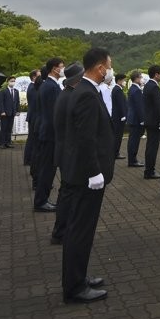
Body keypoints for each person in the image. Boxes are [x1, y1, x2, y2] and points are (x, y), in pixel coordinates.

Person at [60, 47, 115, 304]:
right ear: (100, 68)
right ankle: (74, 286)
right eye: (109, 65)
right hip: (85, 176)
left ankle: (79, 277)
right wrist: (94, 171)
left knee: (82, 229)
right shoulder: (86, 95)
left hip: (82, 174)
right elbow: (85, 138)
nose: (110, 70)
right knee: (80, 230)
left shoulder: (83, 90)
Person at [51, 63, 85, 246]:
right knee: (68, 193)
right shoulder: (70, 97)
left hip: (65, 151)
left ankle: (61, 230)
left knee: (67, 192)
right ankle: (61, 231)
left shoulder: (66, 94)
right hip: (69, 153)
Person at [34, 58, 65, 212]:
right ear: (54, 69)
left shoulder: (48, 85)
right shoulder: (51, 87)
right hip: (50, 134)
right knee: (47, 169)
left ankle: (42, 199)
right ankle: (41, 201)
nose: (63, 69)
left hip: (47, 132)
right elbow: (55, 113)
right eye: (61, 66)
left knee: (48, 168)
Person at [142, 65, 160, 179]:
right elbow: (158, 106)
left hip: (149, 120)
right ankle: (150, 171)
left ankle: (149, 170)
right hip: (154, 121)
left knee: (150, 146)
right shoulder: (154, 87)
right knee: (152, 147)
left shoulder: (148, 86)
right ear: (156, 74)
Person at [125, 70, 145, 167]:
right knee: (134, 141)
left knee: (133, 139)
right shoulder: (136, 90)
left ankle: (132, 159)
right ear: (136, 78)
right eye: (140, 77)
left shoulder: (132, 88)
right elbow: (139, 107)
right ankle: (133, 160)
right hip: (136, 119)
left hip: (132, 118)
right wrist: (142, 120)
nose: (141, 79)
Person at [24, 69, 41, 169]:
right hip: (34, 116)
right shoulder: (33, 88)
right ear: (34, 77)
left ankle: (29, 158)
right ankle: (28, 159)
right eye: (39, 75)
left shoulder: (32, 87)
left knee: (31, 138)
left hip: (33, 115)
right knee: (32, 138)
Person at [111, 72, 128, 160]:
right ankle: (115, 153)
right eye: (124, 80)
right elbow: (120, 104)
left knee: (118, 136)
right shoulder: (117, 90)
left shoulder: (117, 89)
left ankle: (116, 152)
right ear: (119, 80)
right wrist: (123, 115)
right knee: (117, 136)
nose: (125, 82)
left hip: (118, 116)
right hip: (118, 117)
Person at [0, 77, 19, 148]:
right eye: (11, 81)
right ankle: (2, 143)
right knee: (4, 128)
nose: (13, 82)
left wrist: (17, 111)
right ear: (8, 82)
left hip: (12, 113)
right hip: (5, 113)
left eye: (14, 81)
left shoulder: (16, 91)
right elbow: (0, 102)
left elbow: (17, 102)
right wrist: (2, 111)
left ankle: (8, 142)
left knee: (9, 128)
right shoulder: (3, 91)